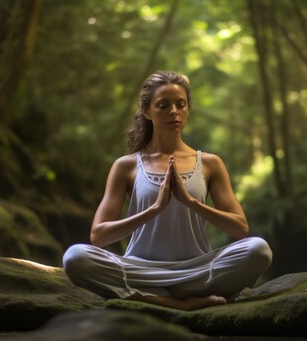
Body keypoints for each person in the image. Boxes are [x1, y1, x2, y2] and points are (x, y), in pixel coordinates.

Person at [63, 71, 272, 311]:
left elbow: (240, 228)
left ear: (188, 109)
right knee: (75, 257)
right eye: (163, 105)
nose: (174, 111)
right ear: (147, 111)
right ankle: (174, 302)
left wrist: (191, 202)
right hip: (140, 270)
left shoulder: (210, 163)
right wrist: (154, 209)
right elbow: (98, 236)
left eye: (180, 104)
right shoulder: (126, 165)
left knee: (258, 249)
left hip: (197, 269)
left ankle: (153, 297)